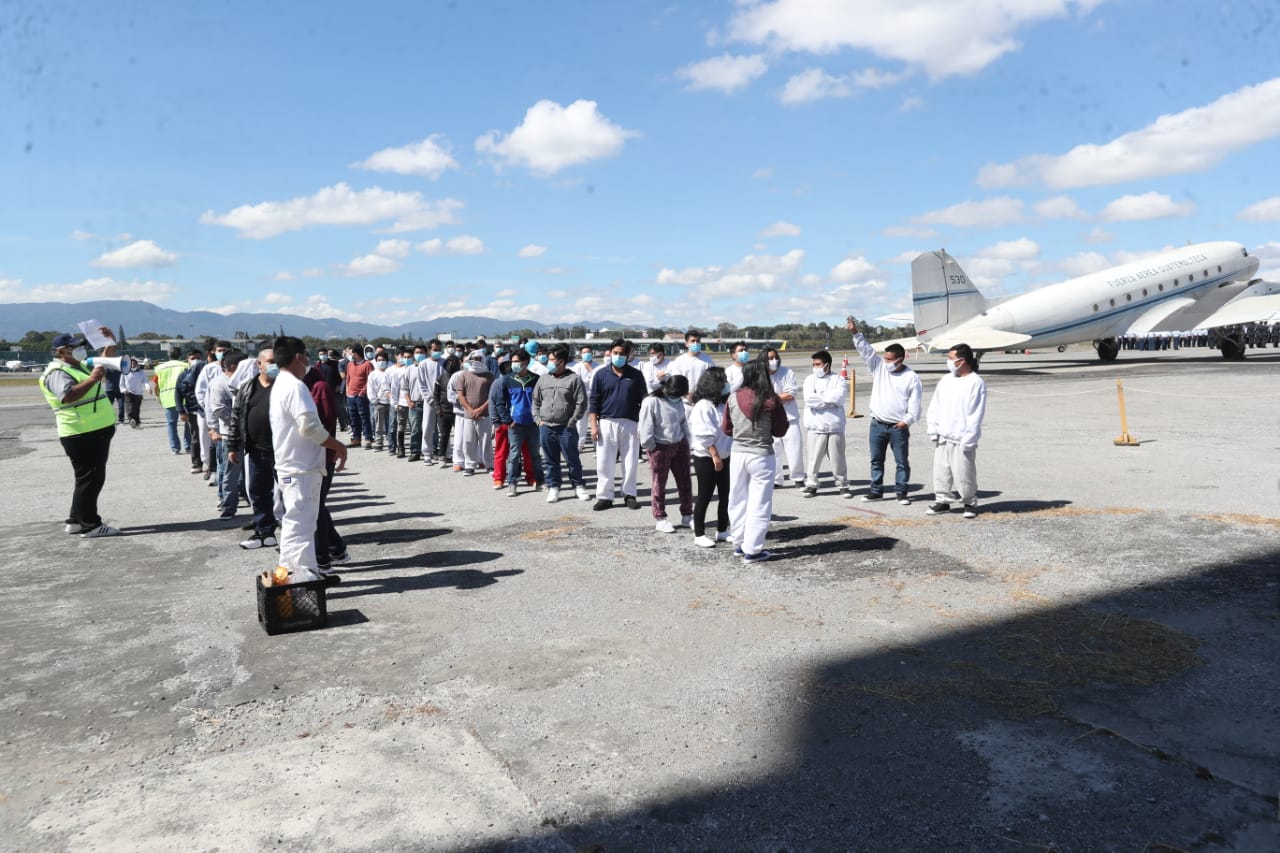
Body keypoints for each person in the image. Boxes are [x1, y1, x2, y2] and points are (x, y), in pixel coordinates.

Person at [269, 337, 348, 583]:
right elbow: (310, 427)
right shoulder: (295, 386)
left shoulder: (281, 384)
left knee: (296, 525)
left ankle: (297, 573)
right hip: (301, 469)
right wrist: (338, 447)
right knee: (301, 527)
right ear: (299, 357)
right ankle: (301, 579)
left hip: (292, 466)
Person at [39, 329, 121, 537]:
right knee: (92, 479)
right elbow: (67, 396)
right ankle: (91, 525)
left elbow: (105, 360)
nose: (79, 349)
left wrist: (110, 341)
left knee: (86, 478)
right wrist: (92, 380)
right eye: (73, 347)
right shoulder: (57, 372)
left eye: (79, 346)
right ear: (60, 351)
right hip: (81, 431)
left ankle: (76, 520)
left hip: (92, 429)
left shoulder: (79, 366)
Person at [846, 316, 923, 505]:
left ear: (900, 359)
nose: (885, 362)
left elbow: (915, 404)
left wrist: (906, 422)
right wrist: (855, 332)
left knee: (901, 462)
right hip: (878, 424)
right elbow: (865, 350)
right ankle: (876, 491)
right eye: (885, 358)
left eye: (889, 359)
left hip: (898, 427)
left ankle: (901, 492)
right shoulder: (879, 368)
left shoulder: (911, 377)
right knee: (876, 460)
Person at [722, 360, 788, 563]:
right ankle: (752, 549)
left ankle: (738, 543)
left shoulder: (733, 397)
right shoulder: (770, 399)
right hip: (761, 454)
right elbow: (780, 430)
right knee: (759, 503)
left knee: (737, 499)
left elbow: (726, 428)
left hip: (738, 453)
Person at [925, 343, 987, 519]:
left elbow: (976, 413)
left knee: (964, 473)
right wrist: (933, 429)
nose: (948, 361)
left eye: (951, 358)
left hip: (961, 438)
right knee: (941, 472)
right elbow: (935, 406)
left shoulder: (976, 382)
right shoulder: (946, 380)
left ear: (962, 361)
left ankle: (969, 503)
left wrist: (969, 438)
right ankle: (942, 501)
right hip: (943, 436)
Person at [226, 348, 279, 549]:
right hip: (256, 450)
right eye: (270, 361)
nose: (275, 365)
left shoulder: (285, 386)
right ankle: (264, 532)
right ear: (259, 364)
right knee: (258, 492)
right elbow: (236, 417)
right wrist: (233, 445)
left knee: (288, 494)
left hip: (281, 451)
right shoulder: (247, 387)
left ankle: (295, 537)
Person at [588, 338, 647, 511]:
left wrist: (643, 425)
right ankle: (605, 496)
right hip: (606, 422)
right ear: (610, 353)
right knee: (604, 462)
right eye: (615, 353)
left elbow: (644, 400)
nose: (618, 356)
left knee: (630, 461)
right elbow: (594, 401)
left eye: (622, 354)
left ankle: (629, 494)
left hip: (630, 423)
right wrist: (593, 425)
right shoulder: (601, 374)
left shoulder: (636, 375)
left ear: (628, 356)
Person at [533, 344, 590, 503]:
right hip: (546, 426)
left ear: (562, 361)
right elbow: (535, 401)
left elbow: (581, 403)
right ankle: (554, 487)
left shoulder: (574, 379)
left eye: (553, 360)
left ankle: (578, 485)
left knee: (572, 459)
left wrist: (572, 421)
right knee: (551, 460)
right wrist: (538, 420)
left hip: (566, 427)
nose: (549, 362)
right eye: (549, 359)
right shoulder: (543, 379)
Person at [638, 374, 693, 533]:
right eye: (676, 394)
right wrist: (651, 447)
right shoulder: (651, 401)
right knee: (659, 484)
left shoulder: (679, 401)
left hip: (679, 444)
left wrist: (687, 441)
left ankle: (687, 515)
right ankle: (660, 517)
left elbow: (683, 422)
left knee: (685, 481)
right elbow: (645, 427)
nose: (677, 398)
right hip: (659, 447)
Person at [688, 367, 732, 548]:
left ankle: (722, 530)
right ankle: (699, 534)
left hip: (725, 454)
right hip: (707, 457)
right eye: (723, 380)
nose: (727, 383)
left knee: (725, 495)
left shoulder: (722, 404)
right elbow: (703, 434)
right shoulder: (703, 406)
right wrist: (715, 455)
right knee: (705, 495)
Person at [801, 350, 850, 498]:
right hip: (815, 426)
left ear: (827, 365)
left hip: (835, 426)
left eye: (818, 364)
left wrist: (821, 399)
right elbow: (809, 400)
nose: (815, 367)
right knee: (813, 459)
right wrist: (829, 401)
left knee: (838, 459)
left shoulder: (839, 379)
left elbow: (839, 398)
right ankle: (811, 484)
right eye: (814, 364)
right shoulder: (809, 380)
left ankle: (843, 485)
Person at [497, 349, 543, 496]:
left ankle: (539, 482)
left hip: (533, 424)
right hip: (515, 425)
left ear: (526, 362)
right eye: (513, 361)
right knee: (514, 455)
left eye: (517, 361)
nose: (514, 364)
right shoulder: (507, 380)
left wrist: (540, 419)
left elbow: (542, 400)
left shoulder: (536, 379)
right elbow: (500, 403)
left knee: (535, 454)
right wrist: (508, 420)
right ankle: (512, 484)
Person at [207, 350, 247, 520]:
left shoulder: (247, 381)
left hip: (251, 433)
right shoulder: (219, 383)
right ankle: (228, 505)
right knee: (230, 472)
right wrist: (240, 422)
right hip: (230, 434)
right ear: (233, 367)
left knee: (250, 471)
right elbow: (218, 409)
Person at [765, 348, 804, 488]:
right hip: (770, 419)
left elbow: (790, 394)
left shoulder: (787, 372)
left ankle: (798, 477)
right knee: (773, 451)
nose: (773, 361)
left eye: (775, 357)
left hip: (789, 418)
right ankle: (776, 479)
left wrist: (769, 400)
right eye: (770, 358)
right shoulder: (761, 376)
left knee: (794, 449)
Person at [457, 350, 495, 476]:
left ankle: (489, 465)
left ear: (482, 359)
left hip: (485, 414)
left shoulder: (489, 376)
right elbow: (460, 395)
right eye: (473, 358)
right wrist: (470, 410)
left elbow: (492, 396)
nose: (476, 360)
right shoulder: (463, 375)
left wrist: (480, 410)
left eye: (478, 358)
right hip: (468, 415)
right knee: (468, 442)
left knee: (486, 442)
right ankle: (469, 465)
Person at [341, 343, 374, 449]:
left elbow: (371, 380)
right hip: (350, 396)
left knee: (364, 417)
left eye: (351, 353)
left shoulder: (367, 364)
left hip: (361, 396)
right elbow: (348, 379)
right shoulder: (350, 365)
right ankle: (356, 439)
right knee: (353, 418)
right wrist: (347, 391)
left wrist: (363, 391)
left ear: (357, 353)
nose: (350, 355)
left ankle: (368, 438)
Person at [367, 351, 392, 451]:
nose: (381, 362)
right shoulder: (373, 374)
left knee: (391, 425)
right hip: (379, 403)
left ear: (387, 361)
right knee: (378, 425)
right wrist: (374, 401)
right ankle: (379, 443)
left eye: (383, 360)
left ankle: (391, 443)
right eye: (379, 360)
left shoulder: (391, 372)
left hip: (391, 403)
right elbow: (370, 389)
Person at [120, 357, 146, 427]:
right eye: (131, 364)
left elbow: (145, 381)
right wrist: (124, 390)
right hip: (128, 392)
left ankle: (137, 421)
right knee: (130, 407)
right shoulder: (125, 372)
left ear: (137, 364)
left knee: (136, 408)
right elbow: (121, 384)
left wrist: (148, 387)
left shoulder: (141, 372)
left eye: (134, 363)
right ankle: (131, 420)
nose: (132, 365)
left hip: (138, 393)